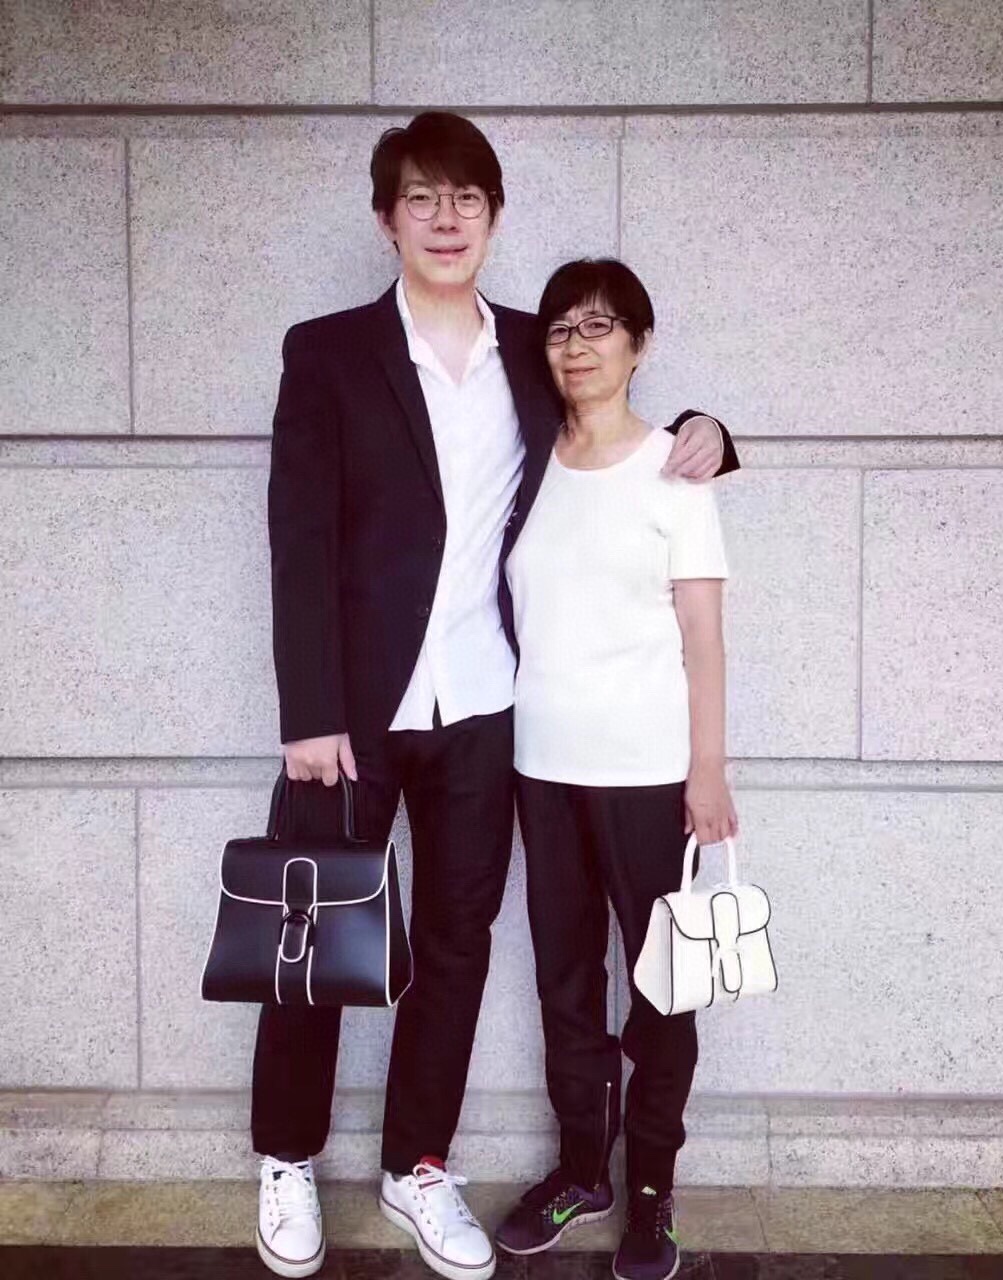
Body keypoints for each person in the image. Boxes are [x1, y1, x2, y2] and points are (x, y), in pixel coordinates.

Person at [255, 113, 739, 1280]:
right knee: (310, 936)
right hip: (350, 717)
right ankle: (285, 1155)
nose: (445, 219)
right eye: (421, 198)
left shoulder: (532, 346)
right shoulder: (326, 351)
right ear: (387, 218)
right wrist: (307, 707)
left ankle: (415, 1162)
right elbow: (296, 534)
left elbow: (621, 420)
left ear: (493, 216)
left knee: (456, 946)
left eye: (466, 198)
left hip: (483, 709)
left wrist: (713, 432)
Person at [495, 258, 738, 1280]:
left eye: (600, 327)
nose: (577, 344)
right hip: (541, 770)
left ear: (640, 345)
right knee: (564, 982)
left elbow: (704, 640)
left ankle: (650, 1192)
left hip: (649, 776)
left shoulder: (675, 473)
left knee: (661, 989)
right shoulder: (526, 460)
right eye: (561, 328)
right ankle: (581, 1169)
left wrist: (706, 770)